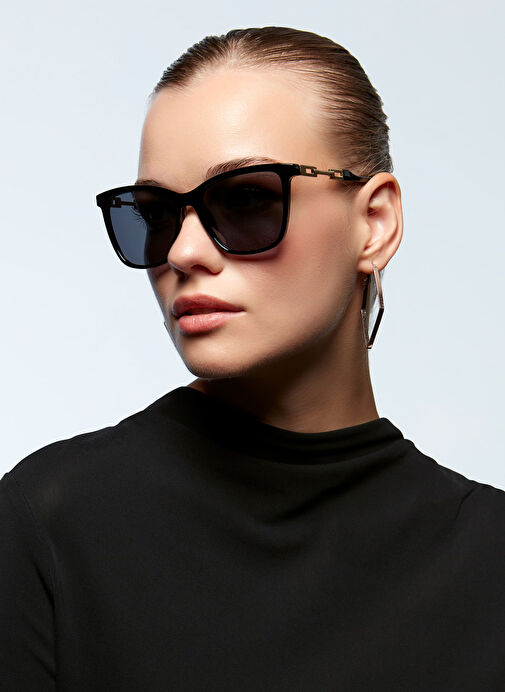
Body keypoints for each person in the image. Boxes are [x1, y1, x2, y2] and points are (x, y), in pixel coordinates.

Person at [1, 26, 504, 691]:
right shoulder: (52, 525)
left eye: (244, 200)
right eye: (154, 213)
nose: (182, 252)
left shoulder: (489, 559)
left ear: (374, 223)